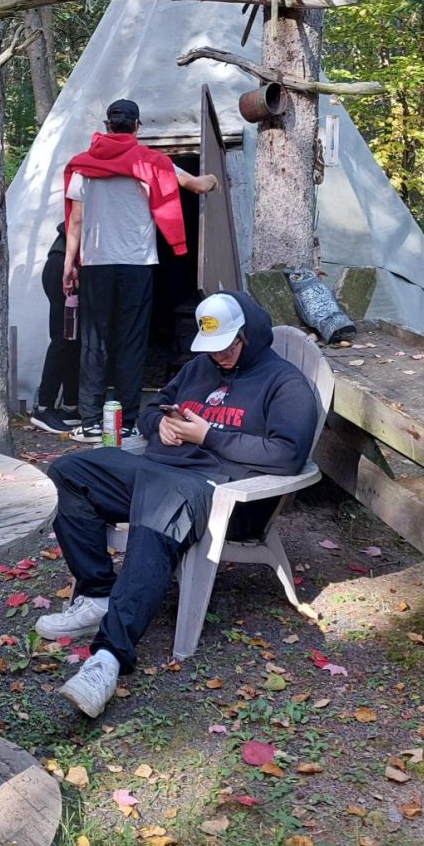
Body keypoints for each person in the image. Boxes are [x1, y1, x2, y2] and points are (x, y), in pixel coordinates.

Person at [35, 290, 319, 718]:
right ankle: (97, 594)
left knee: (162, 501)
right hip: (159, 470)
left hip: (217, 492)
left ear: (248, 336)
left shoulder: (285, 384)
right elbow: (153, 409)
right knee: (69, 472)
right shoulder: (199, 369)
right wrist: (162, 424)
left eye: (227, 347)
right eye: (212, 348)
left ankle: (109, 657)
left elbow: (288, 455)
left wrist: (209, 436)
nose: (218, 357)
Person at [63, 97, 218, 438]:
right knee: (131, 342)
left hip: (96, 264)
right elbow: (197, 185)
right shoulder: (153, 162)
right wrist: (215, 177)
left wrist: (69, 263)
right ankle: (127, 423)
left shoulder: (84, 165)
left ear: (107, 126)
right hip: (136, 264)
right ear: (136, 127)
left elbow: (76, 220)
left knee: (94, 343)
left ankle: (91, 422)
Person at [30, 223, 80, 435]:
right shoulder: (88, 205)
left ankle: (70, 406)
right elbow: (76, 223)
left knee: (74, 340)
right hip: (65, 265)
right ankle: (44, 407)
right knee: (63, 339)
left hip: (67, 263)